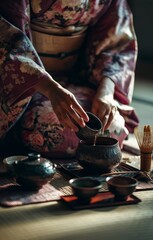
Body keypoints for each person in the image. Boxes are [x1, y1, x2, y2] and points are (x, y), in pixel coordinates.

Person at [0, 0, 139, 158]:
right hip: (30, 84)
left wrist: (105, 94)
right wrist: (51, 89)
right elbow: (9, 42)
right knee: (53, 131)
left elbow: (116, 45)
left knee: (110, 128)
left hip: (75, 78)